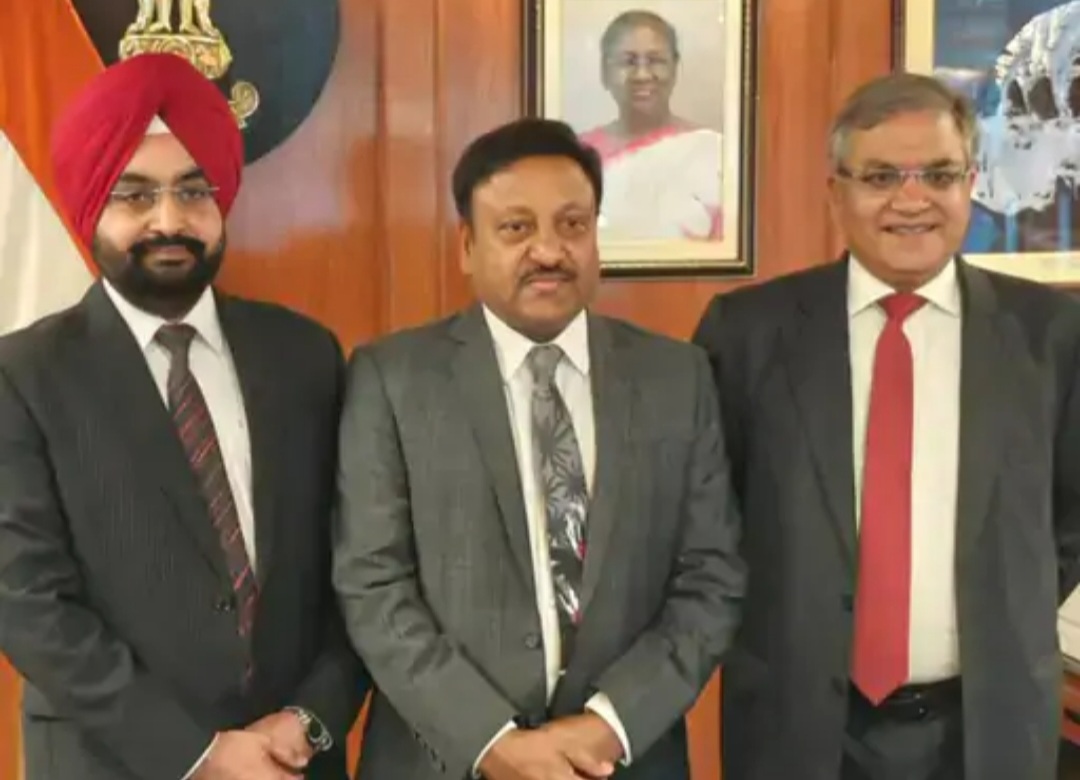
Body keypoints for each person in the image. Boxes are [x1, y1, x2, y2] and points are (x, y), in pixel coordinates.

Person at [691, 71, 1080, 780]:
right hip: (796, 726)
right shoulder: (746, 334)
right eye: (880, 177)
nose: (911, 199)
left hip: (989, 726)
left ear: (971, 184)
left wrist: (1002, 608)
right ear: (835, 192)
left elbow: (1070, 525)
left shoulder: (1052, 334)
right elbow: (709, 523)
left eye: (939, 174)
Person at [332, 117, 745, 780]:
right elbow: (373, 583)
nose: (549, 251)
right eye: (516, 228)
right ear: (468, 246)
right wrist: (493, 742)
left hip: (621, 761)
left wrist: (610, 725)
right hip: (446, 761)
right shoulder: (393, 379)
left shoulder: (677, 378)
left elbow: (711, 577)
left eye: (572, 225)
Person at [0, 53, 366, 780]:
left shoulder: (305, 355)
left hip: (291, 759)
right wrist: (200, 754)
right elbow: (26, 600)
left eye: (193, 191)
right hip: (109, 762)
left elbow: (358, 564)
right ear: (92, 205)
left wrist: (310, 717)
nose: (169, 220)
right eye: (135, 195)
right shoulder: (23, 376)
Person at [578, 10, 724, 242]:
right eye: (628, 62)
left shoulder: (712, 151)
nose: (642, 75)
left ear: (675, 68)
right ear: (605, 72)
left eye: (655, 61)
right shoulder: (578, 153)